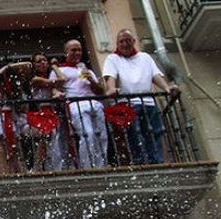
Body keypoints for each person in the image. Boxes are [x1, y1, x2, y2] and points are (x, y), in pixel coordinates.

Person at [102, 29, 180, 165]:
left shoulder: (145, 57)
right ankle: (140, 163)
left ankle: (156, 162)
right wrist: (111, 89)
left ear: (133, 41)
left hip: (149, 103)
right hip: (127, 104)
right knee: (134, 135)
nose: (125, 44)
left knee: (155, 133)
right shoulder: (113, 58)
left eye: (127, 40)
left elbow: (155, 75)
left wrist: (167, 88)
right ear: (117, 43)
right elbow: (110, 77)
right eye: (121, 41)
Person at [60, 40, 107, 169]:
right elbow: (55, 88)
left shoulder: (86, 70)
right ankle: (87, 166)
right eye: (73, 50)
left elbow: (100, 91)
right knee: (88, 134)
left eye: (79, 50)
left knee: (101, 136)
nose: (77, 53)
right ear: (66, 52)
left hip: (94, 103)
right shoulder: (59, 70)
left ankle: (101, 166)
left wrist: (91, 80)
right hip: (76, 104)